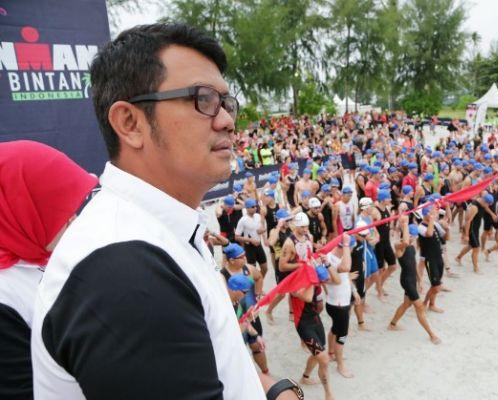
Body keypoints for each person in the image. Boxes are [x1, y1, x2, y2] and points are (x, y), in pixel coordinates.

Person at [31, 24, 300, 400]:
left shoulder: (158, 230)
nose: (227, 120)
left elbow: (220, 364)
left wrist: (274, 390)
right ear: (130, 123)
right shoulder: (123, 272)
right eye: (203, 100)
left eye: (226, 103)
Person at [0, 141, 97, 400]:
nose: (74, 218)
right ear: (21, 212)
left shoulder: (41, 253)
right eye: (58, 209)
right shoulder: (5, 295)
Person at [389, 216, 440, 344]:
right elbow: (405, 242)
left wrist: (420, 280)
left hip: (412, 279)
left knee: (406, 304)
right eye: (413, 236)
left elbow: (414, 264)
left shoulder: (412, 246)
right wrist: (405, 224)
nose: (414, 239)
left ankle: (392, 324)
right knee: (420, 307)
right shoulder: (399, 246)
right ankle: (432, 335)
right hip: (406, 280)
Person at [221, 244, 268, 373]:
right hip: (237, 318)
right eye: (241, 257)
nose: (245, 258)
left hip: (251, 316)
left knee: (257, 346)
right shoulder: (222, 277)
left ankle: (265, 372)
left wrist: (257, 295)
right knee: (239, 352)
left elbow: (259, 278)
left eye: (245, 255)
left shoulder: (249, 269)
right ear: (231, 260)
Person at [293, 266, 335, 400]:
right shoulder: (299, 285)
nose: (323, 283)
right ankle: (328, 394)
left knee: (318, 354)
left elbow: (319, 303)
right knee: (324, 359)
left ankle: (305, 377)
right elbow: (307, 297)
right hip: (303, 324)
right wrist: (312, 282)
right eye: (321, 281)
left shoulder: (317, 285)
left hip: (315, 320)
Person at [324, 234, 355, 378]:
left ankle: (331, 353)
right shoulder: (331, 260)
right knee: (341, 336)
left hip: (335, 302)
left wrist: (354, 291)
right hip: (339, 305)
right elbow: (346, 268)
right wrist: (347, 244)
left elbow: (345, 277)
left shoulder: (330, 256)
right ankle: (340, 365)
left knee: (335, 329)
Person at [418, 206, 448, 313]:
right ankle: (424, 303)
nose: (435, 215)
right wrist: (431, 220)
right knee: (436, 286)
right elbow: (429, 234)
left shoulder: (434, 224)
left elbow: (445, 237)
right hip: (430, 259)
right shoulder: (421, 227)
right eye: (432, 213)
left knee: (436, 284)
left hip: (438, 256)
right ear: (426, 214)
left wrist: (447, 228)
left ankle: (432, 304)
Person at [456, 193, 496, 274]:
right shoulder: (475, 207)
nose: (488, 206)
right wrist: (466, 235)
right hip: (471, 230)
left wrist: (492, 214)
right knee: (476, 248)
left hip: (476, 229)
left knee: (471, 245)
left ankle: (458, 257)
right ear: (484, 201)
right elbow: (467, 221)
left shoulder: (482, 202)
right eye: (488, 204)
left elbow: (486, 207)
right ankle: (476, 268)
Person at [235, 198, 269, 278]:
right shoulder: (243, 220)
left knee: (265, 268)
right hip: (249, 248)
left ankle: (259, 281)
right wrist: (250, 240)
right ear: (247, 208)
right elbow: (236, 237)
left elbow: (259, 230)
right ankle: (254, 284)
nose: (255, 208)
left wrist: (263, 232)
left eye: (256, 206)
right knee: (251, 272)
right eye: (253, 207)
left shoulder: (258, 216)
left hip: (259, 246)